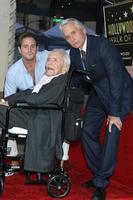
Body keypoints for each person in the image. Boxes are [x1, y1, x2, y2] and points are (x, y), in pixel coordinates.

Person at [60, 18, 133, 200]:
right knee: (86, 132)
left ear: (82, 30)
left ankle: (100, 183)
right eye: (68, 37)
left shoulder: (102, 45)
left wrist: (115, 113)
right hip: (98, 94)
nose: (72, 39)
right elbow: (75, 81)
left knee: (112, 130)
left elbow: (116, 78)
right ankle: (99, 173)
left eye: (73, 33)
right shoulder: (74, 54)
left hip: (121, 93)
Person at [0, 49, 70, 174]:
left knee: (2, 111)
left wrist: (10, 103)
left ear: (64, 67)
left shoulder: (60, 80)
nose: (50, 62)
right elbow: (28, 93)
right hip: (34, 114)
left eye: (55, 60)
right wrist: (5, 99)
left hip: (41, 120)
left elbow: (37, 98)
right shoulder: (47, 79)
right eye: (49, 59)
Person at [4, 32, 49, 97]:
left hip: (50, 103)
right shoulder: (12, 73)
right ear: (20, 50)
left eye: (32, 46)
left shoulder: (47, 57)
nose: (29, 50)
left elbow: (66, 54)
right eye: (25, 46)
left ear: (37, 48)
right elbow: (8, 99)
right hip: (27, 104)